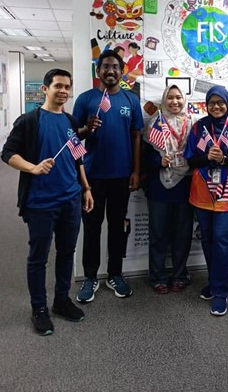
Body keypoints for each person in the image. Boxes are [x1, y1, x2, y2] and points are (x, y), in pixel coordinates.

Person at [1, 69, 94, 336]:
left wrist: (86, 188)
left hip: (70, 199)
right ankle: (39, 309)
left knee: (66, 252)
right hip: (40, 202)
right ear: (45, 89)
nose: (63, 91)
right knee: (38, 258)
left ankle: (61, 300)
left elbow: (77, 156)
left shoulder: (70, 120)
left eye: (67, 87)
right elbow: (8, 153)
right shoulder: (29, 121)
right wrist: (33, 167)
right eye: (58, 86)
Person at [73, 50, 144, 303]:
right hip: (92, 178)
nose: (110, 71)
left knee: (117, 228)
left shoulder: (130, 100)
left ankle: (115, 274)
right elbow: (72, 138)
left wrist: (136, 171)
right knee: (92, 228)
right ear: (98, 71)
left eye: (115, 67)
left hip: (121, 177)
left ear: (121, 71)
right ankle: (90, 277)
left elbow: (136, 136)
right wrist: (86, 129)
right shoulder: (85, 99)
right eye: (105, 67)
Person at [184, 85, 228, 316]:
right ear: (206, 105)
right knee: (207, 238)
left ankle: (221, 292)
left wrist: (224, 159)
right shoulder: (199, 126)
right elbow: (190, 160)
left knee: (222, 239)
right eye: (212, 102)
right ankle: (214, 282)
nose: (216, 106)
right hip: (202, 188)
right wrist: (206, 157)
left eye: (220, 102)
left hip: (227, 189)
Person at [144, 85, 194, 294]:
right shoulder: (155, 123)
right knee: (158, 234)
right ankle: (158, 276)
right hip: (159, 186)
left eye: (178, 97)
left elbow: (198, 152)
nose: (174, 102)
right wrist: (159, 161)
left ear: (184, 100)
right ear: (164, 100)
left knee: (182, 234)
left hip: (185, 185)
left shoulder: (193, 124)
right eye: (170, 98)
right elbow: (144, 155)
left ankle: (179, 275)